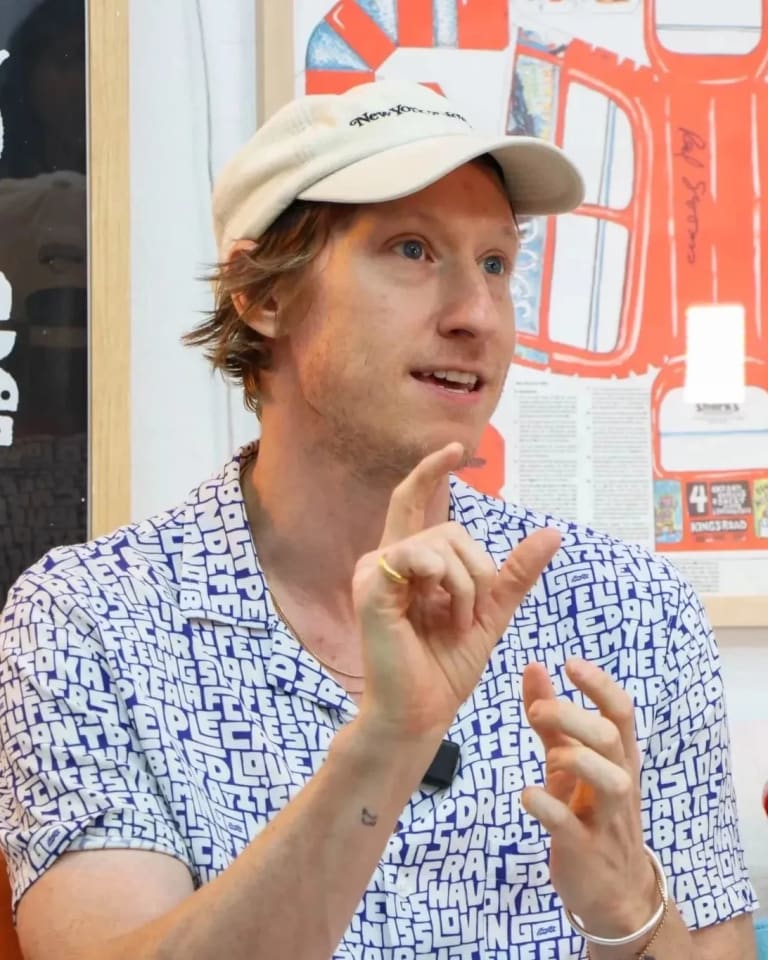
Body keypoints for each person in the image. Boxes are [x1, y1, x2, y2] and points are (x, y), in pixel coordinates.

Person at [0, 79, 757, 960]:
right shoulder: (93, 619)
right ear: (263, 292)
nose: (476, 316)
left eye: (496, 265)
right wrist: (388, 741)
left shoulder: (630, 610)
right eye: (411, 249)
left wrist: (627, 910)